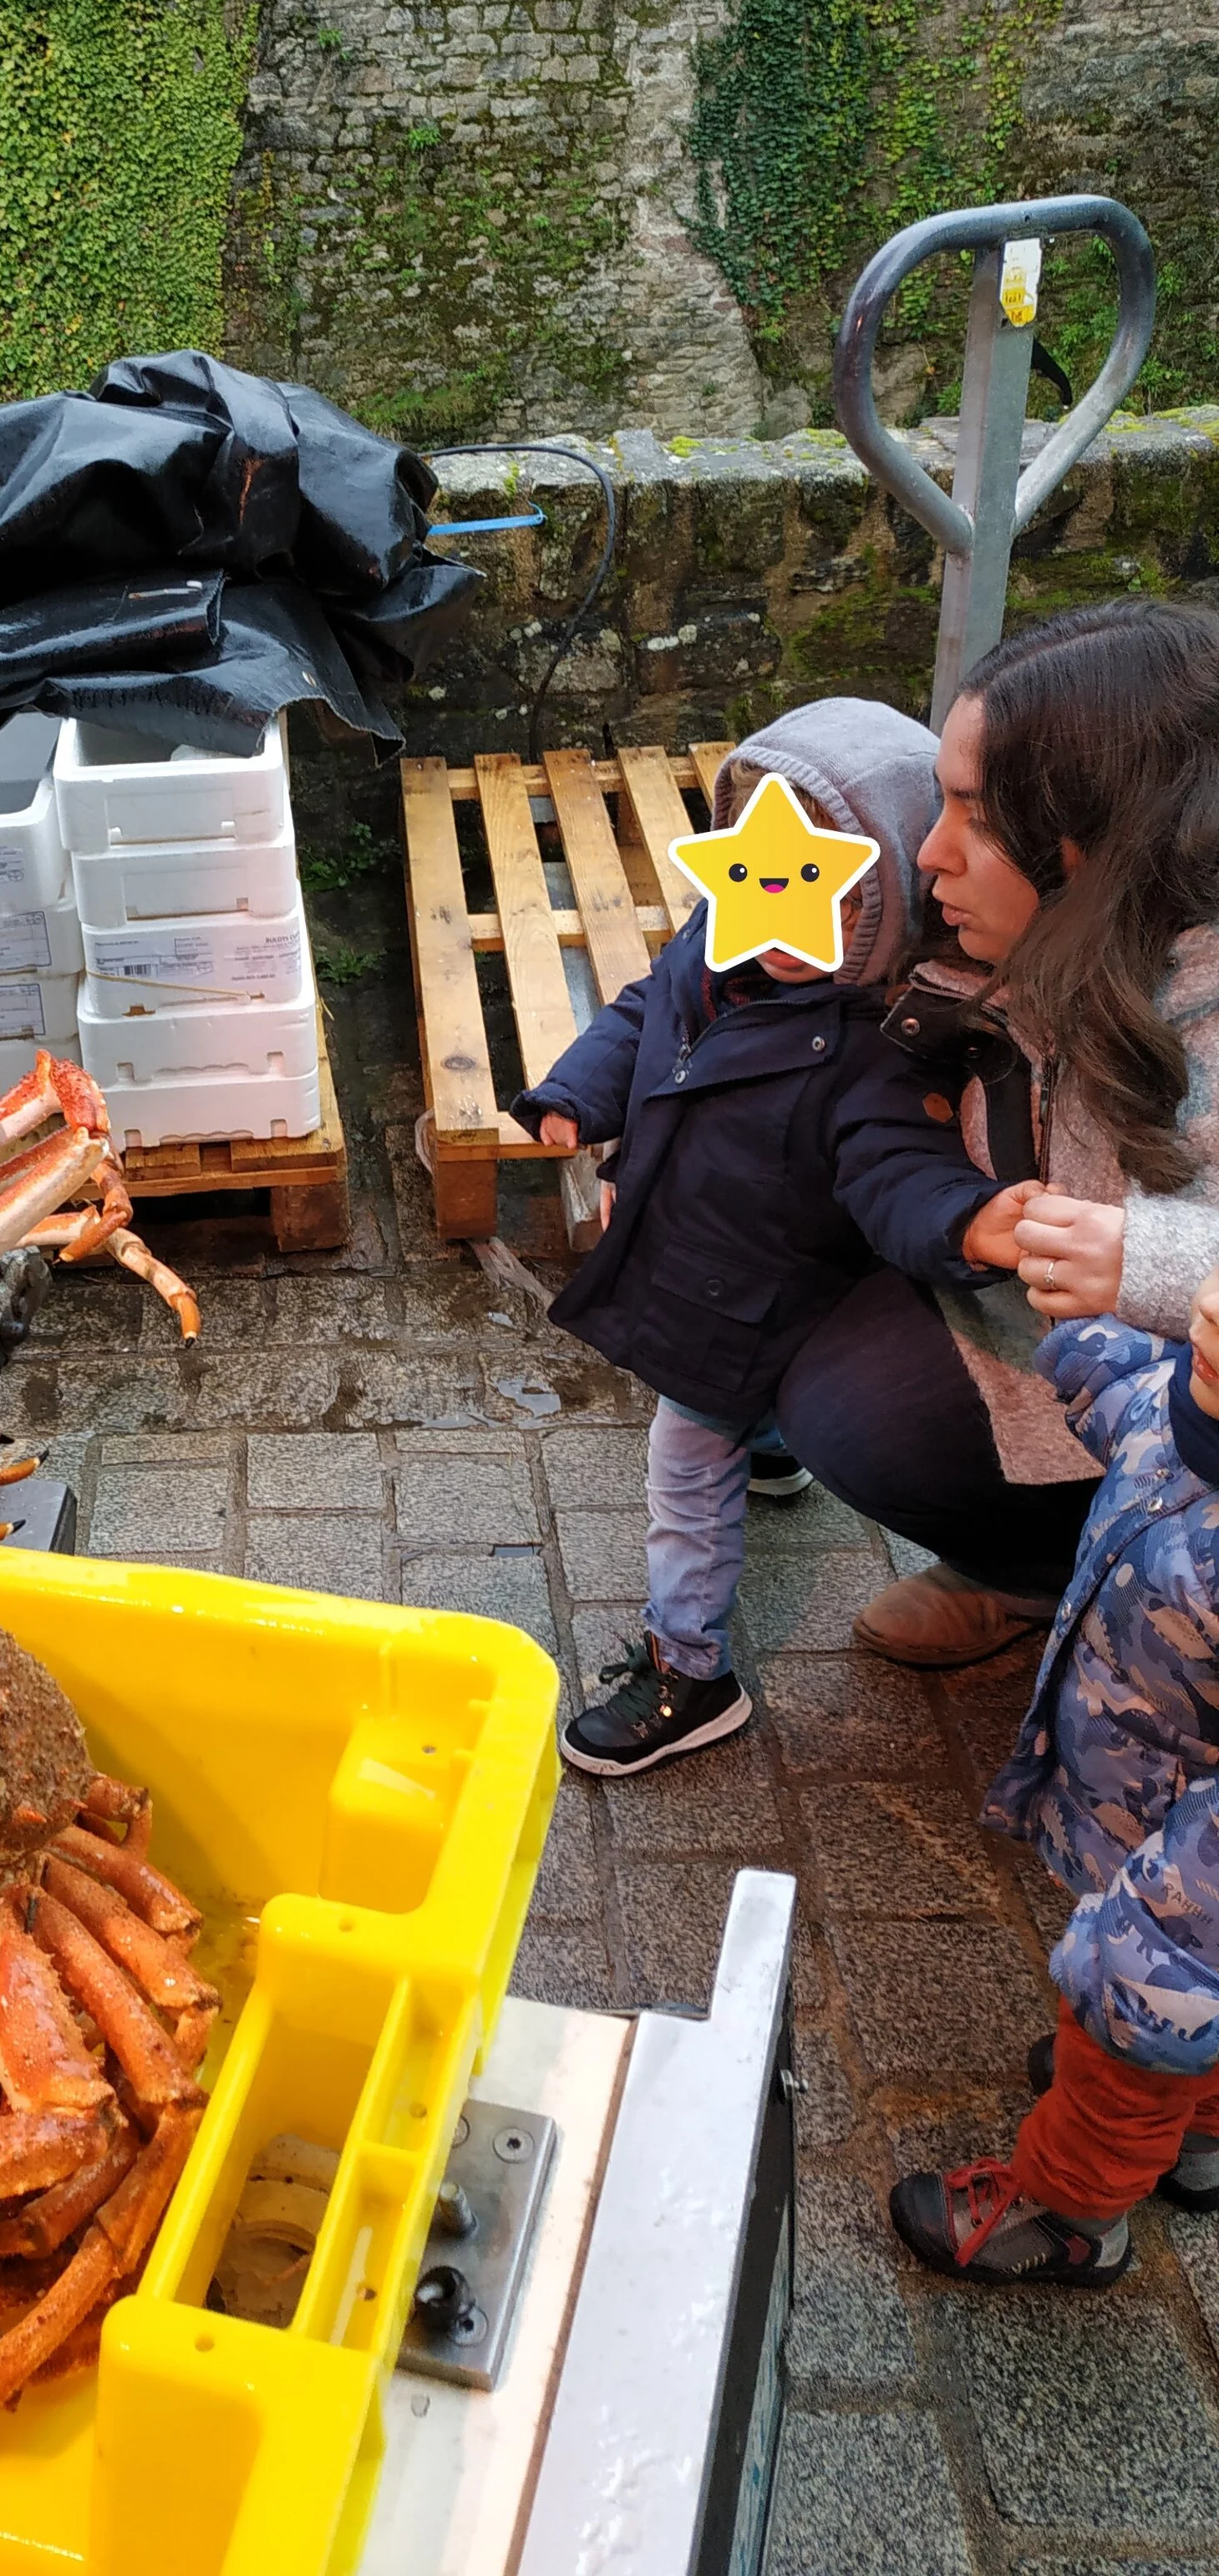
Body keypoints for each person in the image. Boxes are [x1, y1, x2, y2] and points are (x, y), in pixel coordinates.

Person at [511, 702, 1029, 1776]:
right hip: (691, 1237)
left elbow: (897, 1166)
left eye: (828, 901)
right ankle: (774, 1453)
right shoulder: (716, 944)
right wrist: (580, 1091)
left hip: (754, 1291)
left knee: (681, 1469)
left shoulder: (883, 1043)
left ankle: (688, 1667)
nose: (782, 925)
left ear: (884, 888)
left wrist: (963, 1224)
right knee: (735, 1428)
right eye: (756, 880)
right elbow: (642, 1008)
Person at [771, 602, 1219, 1668]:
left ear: (1108, 831)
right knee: (811, 1361)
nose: (930, 852)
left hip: (1172, 1388)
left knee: (859, 1416)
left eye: (975, 812)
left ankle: (1103, 1585)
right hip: (1028, 1307)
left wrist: (1153, 1259)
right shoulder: (1014, 942)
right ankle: (1033, 1569)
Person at [889, 1275, 1219, 2285]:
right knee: (1171, 2040)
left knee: (1125, 2041)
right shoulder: (1196, 1405)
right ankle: (1198, 2140)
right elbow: (1141, 1409)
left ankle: (1070, 2215)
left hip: (1179, 1906)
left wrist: (1146, 1962)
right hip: (1138, 1811)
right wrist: (1082, 1332)